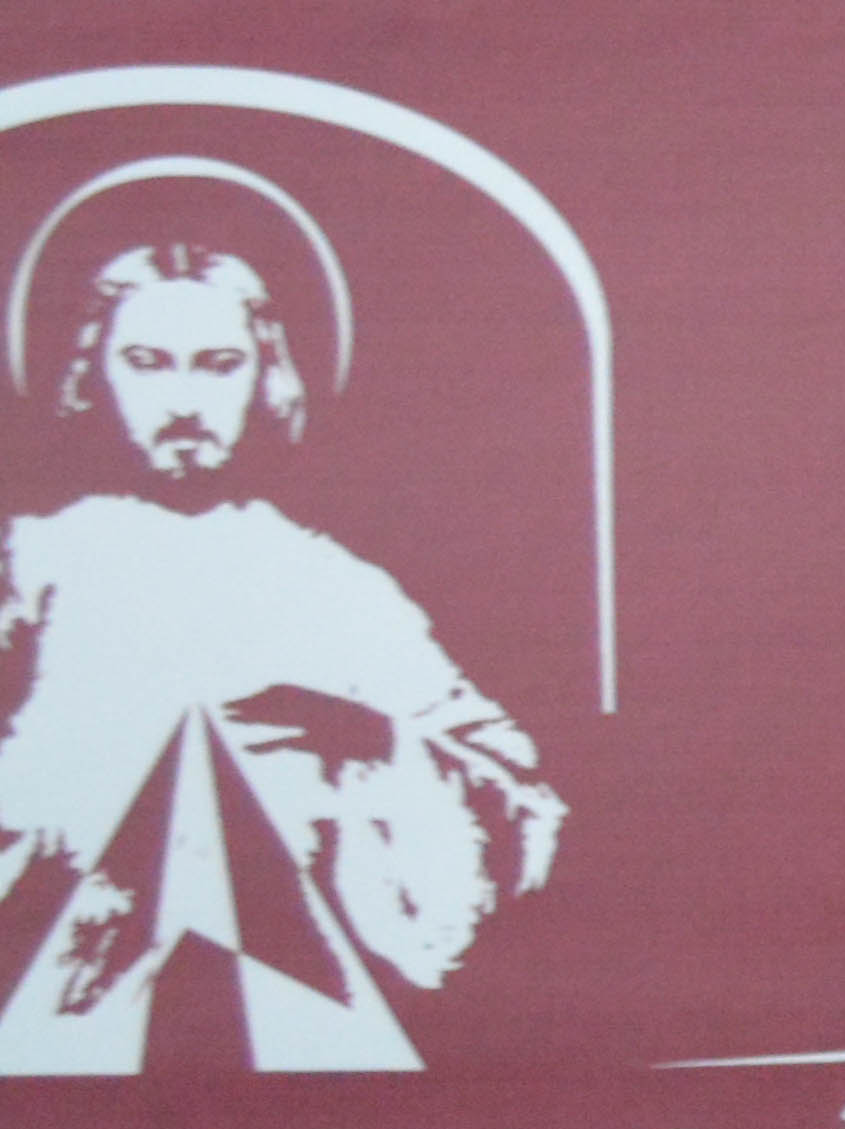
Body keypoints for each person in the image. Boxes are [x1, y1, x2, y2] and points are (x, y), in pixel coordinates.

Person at [0, 238, 564, 1068]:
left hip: (298, 1020)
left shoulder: (338, 586)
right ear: (92, 374)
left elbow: (518, 799)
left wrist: (376, 745)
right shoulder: (26, 566)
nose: (184, 400)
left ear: (267, 377)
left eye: (218, 365)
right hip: (58, 1006)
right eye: (148, 363)